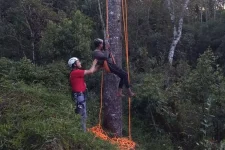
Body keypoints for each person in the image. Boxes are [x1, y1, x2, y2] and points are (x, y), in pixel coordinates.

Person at [68, 57, 97, 132]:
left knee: (83, 114)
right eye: (78, 62)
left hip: (80, 95)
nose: (80, 63)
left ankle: (82, 131)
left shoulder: (75, 73)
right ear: (74, 65)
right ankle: (82, 133)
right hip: (79, 96)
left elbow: (91, 71)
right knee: (82, 115)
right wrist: (95, 62)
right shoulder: (76, 72)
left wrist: (100, 67)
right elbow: (90, 71)